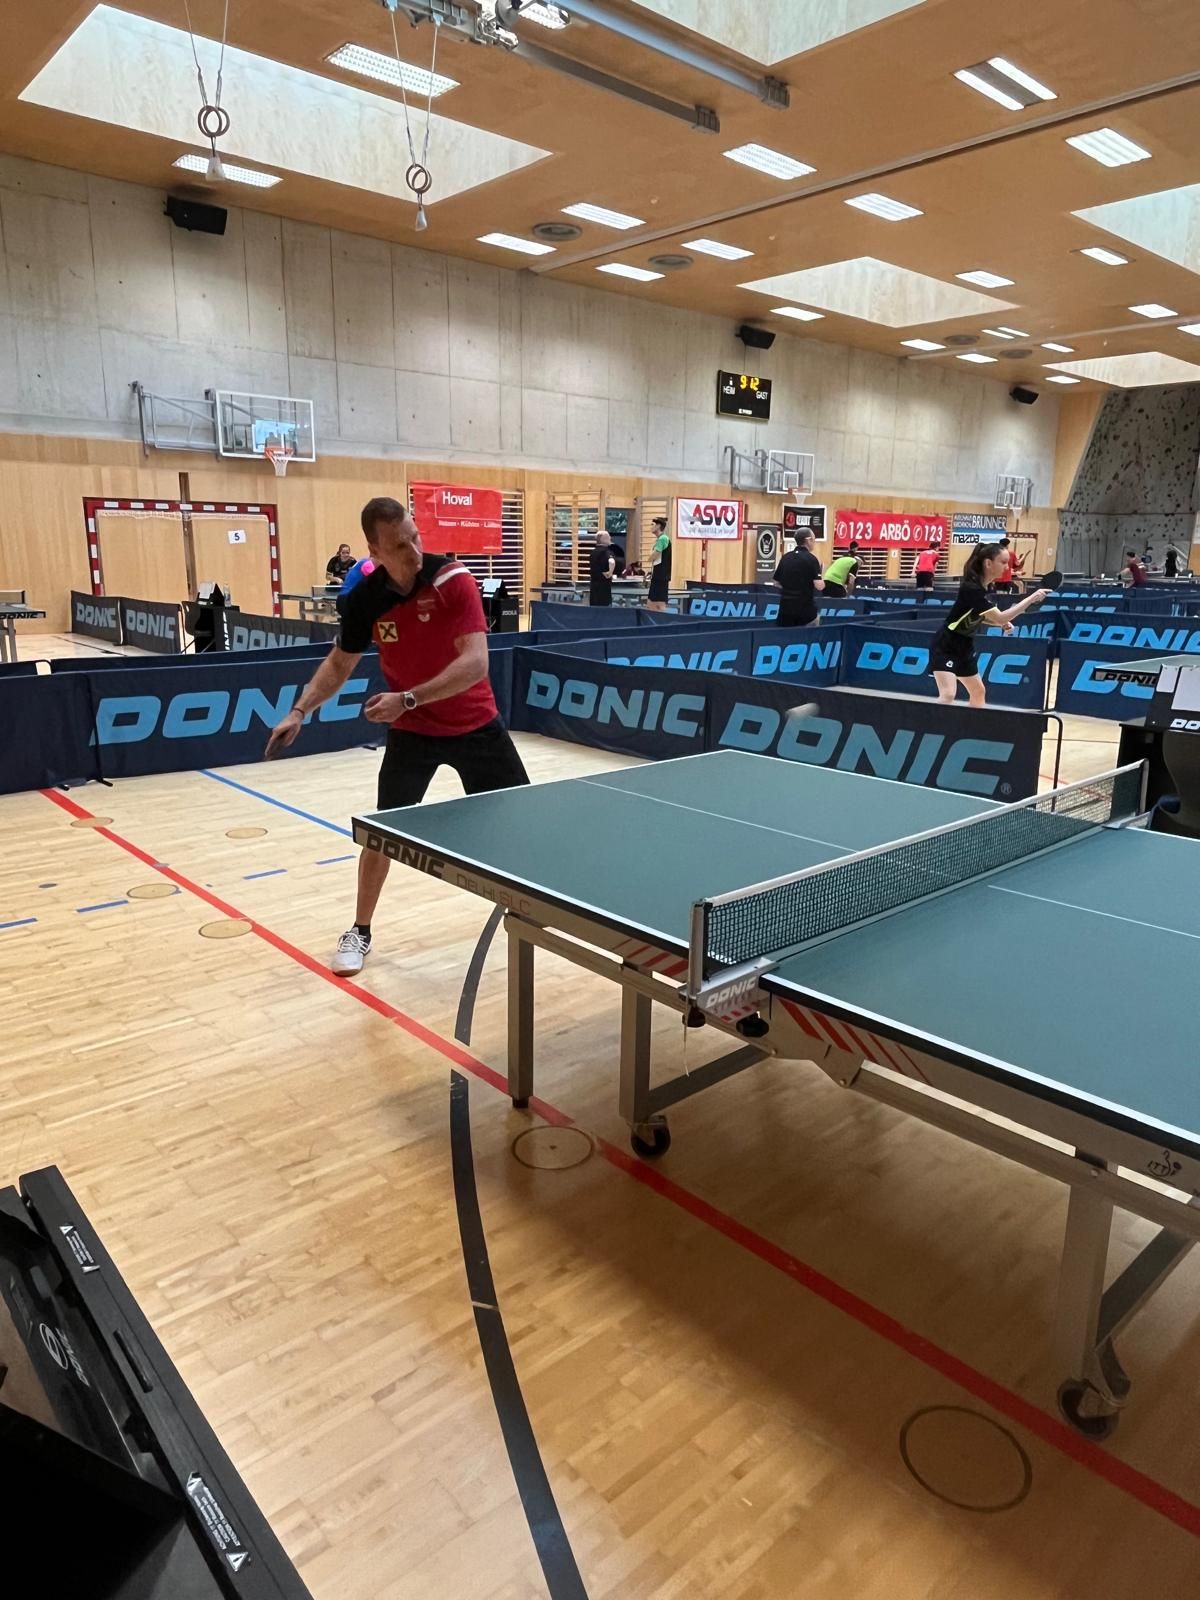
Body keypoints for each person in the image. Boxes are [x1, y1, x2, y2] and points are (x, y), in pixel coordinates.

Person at [264, 496, 529, 976]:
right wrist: (300, 711)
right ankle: (359, 930)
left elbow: (475, 664)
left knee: (525, 821)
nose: (414, 551)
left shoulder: (452, 580)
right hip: (413, 733)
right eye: (400, 545)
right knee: (383, 835)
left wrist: (406, 699)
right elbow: (339, 663)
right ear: (375, 550)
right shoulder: (366, 598)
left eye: (415, 537)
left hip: (474, 725)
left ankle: (535, 909)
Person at [930, 543, 1048, 706]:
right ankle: (926, 720)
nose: (1007, 567)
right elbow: (1001, 617)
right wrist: (1031, 599)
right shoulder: (972, 589)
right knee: (948, 694)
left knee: (978, 692)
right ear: (988, 563)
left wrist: (999, 624)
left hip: (965, 646)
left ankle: (974, 723)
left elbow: (977, 615)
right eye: (1003, 562)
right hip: (946, 645)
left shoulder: (984, 587)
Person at [773, 529, 824, 626]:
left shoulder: (785, 557)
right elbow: (819, 586)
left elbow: (776, 583)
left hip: (785, 610)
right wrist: (821, 575)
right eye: (814, 540)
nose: (814, 543)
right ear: (808, 540)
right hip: (805, 612)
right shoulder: (812, 559)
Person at [646, 516, 672, 612]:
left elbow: (654, 556)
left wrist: (649, 557)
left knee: (659, 604)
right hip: (657, 575)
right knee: (651, 603)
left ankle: (662, 620)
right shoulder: (659, 539)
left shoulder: (663, 538)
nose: (650, 527)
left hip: (661, 576)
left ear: (658, 526)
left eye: (652, 525)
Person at [589, 530, 616, 605]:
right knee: (604, 607)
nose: (610, 538)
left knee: (594, 606)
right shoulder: (607, 551)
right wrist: (610, 573)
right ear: (603, 539)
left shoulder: (593, 552)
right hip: (604, 586)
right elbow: (612, 562)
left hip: (593, 585)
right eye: (608, 537)